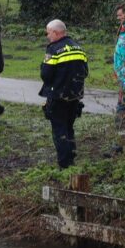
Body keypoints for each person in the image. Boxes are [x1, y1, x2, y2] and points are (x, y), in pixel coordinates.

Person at [40, 20, 88, 169]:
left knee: (59, 130)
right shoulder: (79, 48)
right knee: (69, 127)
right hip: (75, 96)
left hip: (58, 97)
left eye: (48, 33)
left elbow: (46, 75)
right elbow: (85, 72)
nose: (47, 36)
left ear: (56, 32)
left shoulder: (53, 50)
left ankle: (64, 164)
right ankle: (72, 157)